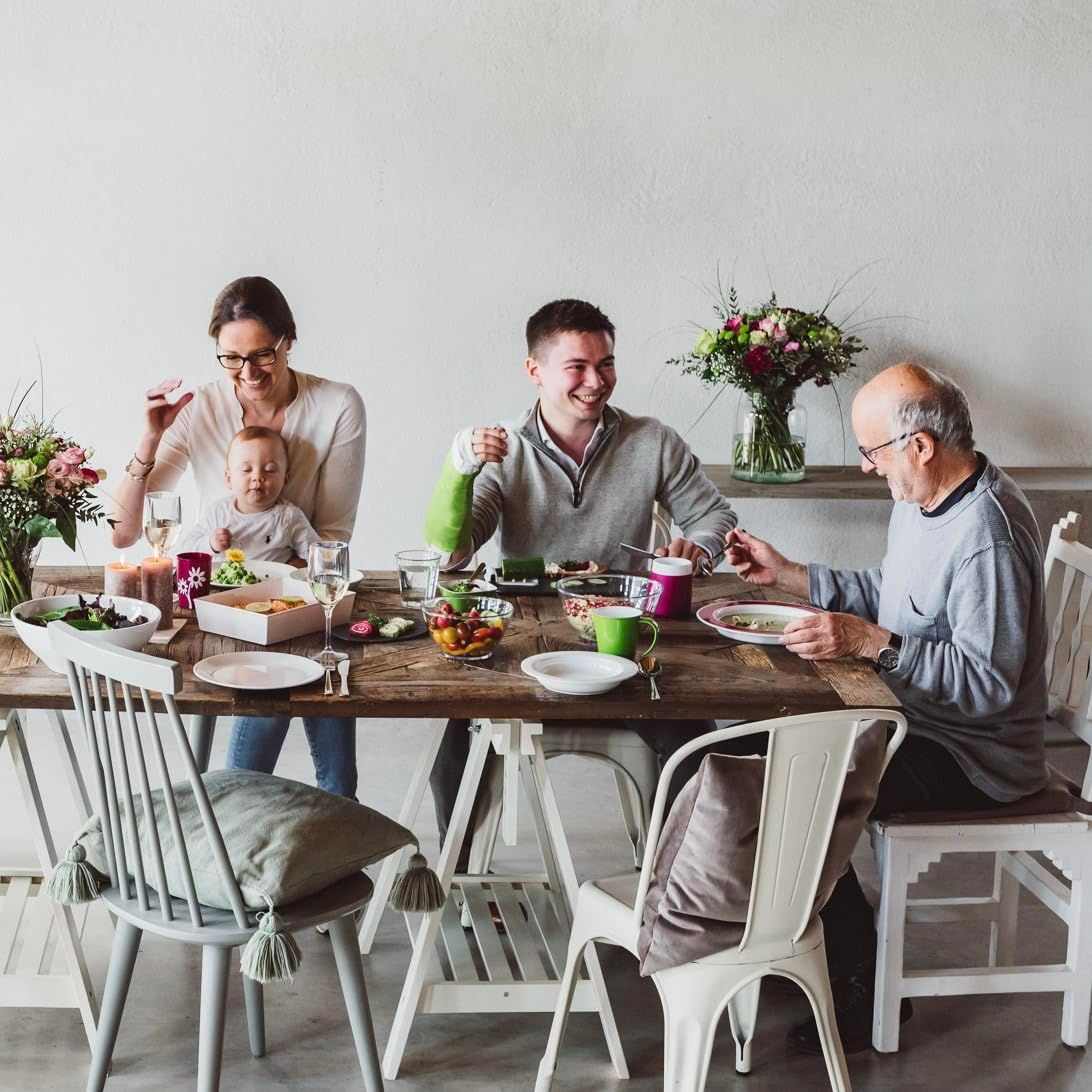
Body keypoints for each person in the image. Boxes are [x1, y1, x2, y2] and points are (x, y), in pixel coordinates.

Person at [725, 362, 1050, 1054]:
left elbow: (987, 686)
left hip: (977, 758)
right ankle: (803, 944)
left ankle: (858, 985)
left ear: (921, 445)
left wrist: (871, 642)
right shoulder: (924, 501)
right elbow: (891, 593)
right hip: (918, 721)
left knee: (802, 784)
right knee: (767, 756)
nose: (870, 469)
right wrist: (788, 574)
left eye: (871, 452)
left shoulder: (987, 534)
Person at [423, 297, 739, 861]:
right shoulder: (504, 451)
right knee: (457, 744)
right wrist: (461, 467)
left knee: (698, 742)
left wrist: (700, 547)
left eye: (607, 364)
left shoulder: (652, 442)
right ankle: (461, 879)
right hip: (525, 653)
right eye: (577, 367)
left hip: (626, 648)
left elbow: (716, 516)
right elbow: (451, 551)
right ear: (534, 371)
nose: (597, 381)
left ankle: (674, 886)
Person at [111, 275, 366, 798]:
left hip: (302, 603)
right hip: (224, 612)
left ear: (288, 340)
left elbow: (331, 542)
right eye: (231, 358)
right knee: (258, 766)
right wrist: (151, 436)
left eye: (262, 355)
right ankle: (246, 830)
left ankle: (309, 838)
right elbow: (123, 533)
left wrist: (287, 604)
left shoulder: (338, 404)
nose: (247, 373)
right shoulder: (200, 410)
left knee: (327, 756)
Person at [178, 425, 318, 563]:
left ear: (285, 480)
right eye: (246, 469)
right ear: (229, 479)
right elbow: (186, 549)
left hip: (271, 584)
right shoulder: (218, 512)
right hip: (224, 585)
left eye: (269, 470)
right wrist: (211, 544)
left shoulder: (288, 517)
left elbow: (318, 555)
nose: (257, 476)